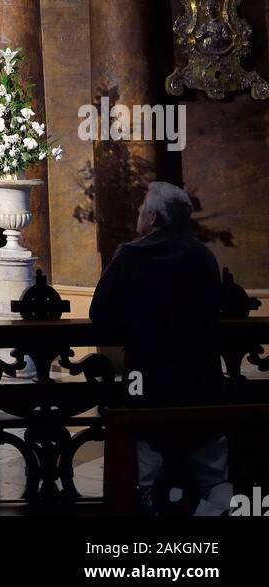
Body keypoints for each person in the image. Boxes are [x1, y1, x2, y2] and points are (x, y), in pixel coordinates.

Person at [90, 181, 231, 516]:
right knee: (214, 475)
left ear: (152, 218)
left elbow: (101, 315)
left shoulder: (132, 255)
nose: (138, 212)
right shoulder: (204, 255)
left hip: (149, 384)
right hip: (204, 381)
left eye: (142, 208)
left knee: (150, 481)